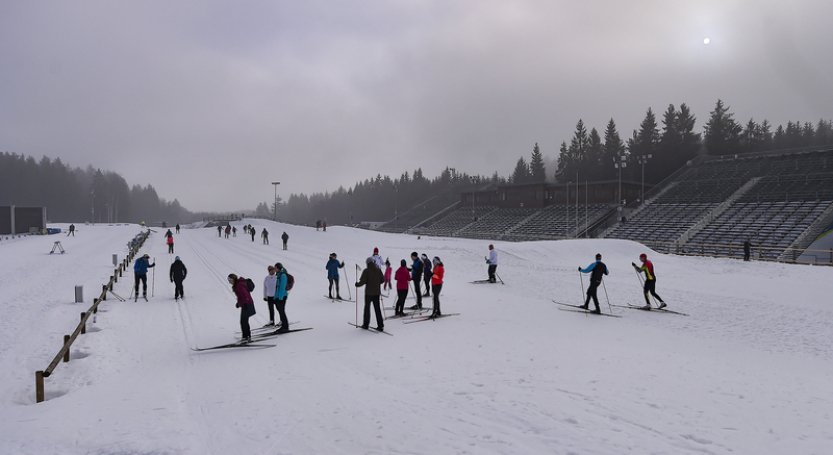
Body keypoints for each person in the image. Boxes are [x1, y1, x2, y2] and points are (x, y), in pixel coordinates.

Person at [355, 257, 385, 331]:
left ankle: (366, 325)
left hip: (368, 293)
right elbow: (382, 280)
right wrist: (377, 283)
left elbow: (363, 281)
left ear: (367, 263)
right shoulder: (378, 270)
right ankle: (380, 326)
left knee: (367, 309)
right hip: (377, 293)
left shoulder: (366, 271)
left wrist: (357, 284)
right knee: (377, 309)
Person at [228, 273, 256, 342]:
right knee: (244, 321)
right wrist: (239, 303)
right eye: (228, 280)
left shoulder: (239, 285)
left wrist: (245, 303)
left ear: (233, 279)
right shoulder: (237, 284)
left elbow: (245, 294)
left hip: (247, 304)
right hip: (246, 304)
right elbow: (241, 296)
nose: (229, 282)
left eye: (230, 280)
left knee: (243, 321)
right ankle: (246, 336)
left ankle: (247, 337)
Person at [273, 263, 291, 332]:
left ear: (278, 268)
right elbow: (277, 288)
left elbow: (282, 288)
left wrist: (279, 298)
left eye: (275, 268)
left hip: (282, 297)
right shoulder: (278, 275)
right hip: (278, 297)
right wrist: (275, 297)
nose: (275, 269)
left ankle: (285, 327)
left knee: (282, 311)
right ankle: (283, 326)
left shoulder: (283, 275)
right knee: (280, 311)